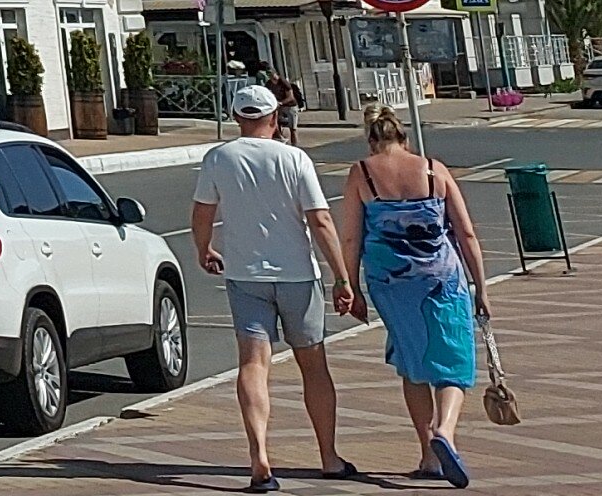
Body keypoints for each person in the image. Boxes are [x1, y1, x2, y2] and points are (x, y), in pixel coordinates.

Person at [194, 81, 365, 492]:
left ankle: (260, 457)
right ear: (274, 117)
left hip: (245, 276)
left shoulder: (218, 158)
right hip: (297, 277)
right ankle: (329, 457)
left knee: (253, 365)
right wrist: (342, 278)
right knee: (314, 366)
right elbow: (320, 221)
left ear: (236, 118)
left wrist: (205, 249)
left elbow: (202, 213)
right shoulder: (294, 158)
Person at [337, 104, 487, 488]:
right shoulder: (434, 169)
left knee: (411, 359)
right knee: (454, 359)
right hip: (442, 279)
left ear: (371, 140)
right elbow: (466, 233)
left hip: (390, 283)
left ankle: (428, 456)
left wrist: (349, 285)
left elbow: (351, 237)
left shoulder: (361, 173)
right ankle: (444, 431)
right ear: (404, 137)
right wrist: (481, 288)